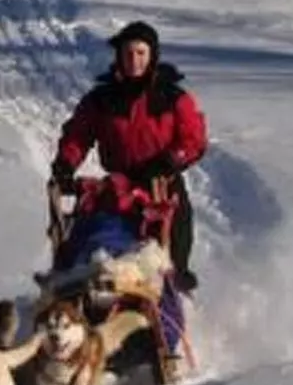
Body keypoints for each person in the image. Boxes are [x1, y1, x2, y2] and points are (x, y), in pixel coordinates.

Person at [51, 20, 208, 291]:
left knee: (174, 244)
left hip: (162, 186)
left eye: (141, 53)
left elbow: (194, 139)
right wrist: (66, 163)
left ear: (152, 56)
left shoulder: (172, 97)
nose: (134, 60)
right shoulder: (102, 99)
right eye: (128, 53)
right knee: (95, 234)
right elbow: (79, 134)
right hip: (119, 188)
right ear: (119, 57)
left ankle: (175, 292)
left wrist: (169, 161)